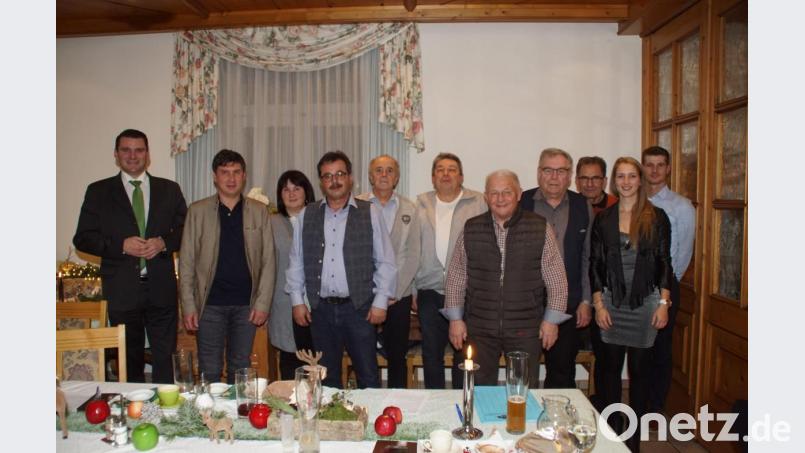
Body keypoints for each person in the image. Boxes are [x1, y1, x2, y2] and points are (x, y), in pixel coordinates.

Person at [74, 128, 187, 383]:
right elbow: (82, 238)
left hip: (161, 288)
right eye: (126, 150)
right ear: (116, 155)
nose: (133, 156)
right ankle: (135, 412)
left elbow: (187, 230)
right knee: (129, 359)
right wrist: (121, 245)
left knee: (164, 358)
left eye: (139, 150)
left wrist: (163, 243)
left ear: (148, 155)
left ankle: (165, 412)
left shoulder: (169, 189)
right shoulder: (98, 191)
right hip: (122, 290)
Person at [444, 170, 568, 386]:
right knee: (476, 387)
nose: (500, 199)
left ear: (519, 194)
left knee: (522, 390)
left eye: (507, 192)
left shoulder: (539, 227)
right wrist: (455, 319)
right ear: (486, 197)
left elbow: (556, 277)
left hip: (526, 327)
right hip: (480, 327)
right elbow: (456, 275)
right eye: (494, 193)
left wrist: (551, 321)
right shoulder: (471, 228)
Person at [286, 151, 397, 389]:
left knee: (367, 376)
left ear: (350, 178)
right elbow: (296, 260)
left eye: (339, 174)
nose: (334, 180)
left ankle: (371, 423)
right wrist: (297, 300)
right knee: (326, 378)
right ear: (321, 181)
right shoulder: (308, 214)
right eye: (327, 176)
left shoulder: (370, 212)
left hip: (359, 309)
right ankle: (331, 424)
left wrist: (380, 303)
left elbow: (386, 261)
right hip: (321, 311)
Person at [590, 156, 672, 452]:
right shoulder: (604, 218)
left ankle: (633, 442)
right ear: (615, 181)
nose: (626, 182)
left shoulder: (656, 216)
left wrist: (664, 302)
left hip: (645, 304)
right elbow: (595, 264)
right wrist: (599, 305)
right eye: (620, 177)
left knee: (639, 376)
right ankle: (612, 438)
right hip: (611, 304)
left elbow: (664, 262)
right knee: (609, 374)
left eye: (631, 176)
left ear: (640, 180)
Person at [179, 149, 275, 384]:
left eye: (236, 172)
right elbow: (187, 262)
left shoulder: (259, 211)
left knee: (240, 368)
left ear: (244, 176)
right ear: (215, 176)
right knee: (209, 369)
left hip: (246, 306)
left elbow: (268, 260)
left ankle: (236, 418)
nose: (231, 179)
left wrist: (262, 304)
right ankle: (209, 419)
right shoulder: (197, 211)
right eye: (225, 173)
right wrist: (189, 306)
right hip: (208, 305)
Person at [520, 148, 593, 389]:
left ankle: (556, 423)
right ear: (539, 173)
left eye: (561, 171)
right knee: (523, 369)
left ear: (570, 175)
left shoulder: (583, 206)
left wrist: (586, 300)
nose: (554, 177)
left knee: (562, 370)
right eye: (548, 170)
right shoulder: (522, 203)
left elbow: (588, 257)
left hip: (569, 302)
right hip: (526, 303)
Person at [415, 153, 487, 389]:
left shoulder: (478, 202)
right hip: (429, 290)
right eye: (440, 170)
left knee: (464, 353)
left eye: (452, 169)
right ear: (433, 177)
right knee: (431, 352)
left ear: (461, 176)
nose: (446, 174)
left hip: (468, 291)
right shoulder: (420, 204)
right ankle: (434, 400)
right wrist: (413, 289)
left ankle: (460, 399)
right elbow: (413, 248)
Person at [356, 155, 421, 388]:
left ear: (397, 177)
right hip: (365, 295)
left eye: (389, 170)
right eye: (379, 170)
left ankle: (398, 403)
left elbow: (413, 255)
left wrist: (393, 292)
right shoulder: (356, 205)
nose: (384, 175)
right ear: (371, 176)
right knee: (363, 354)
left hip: (399, 295)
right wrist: (374, 292)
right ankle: (367, 402)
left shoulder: (410, 209)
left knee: (397, 356)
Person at [642, 146, 696, 413]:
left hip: (664, 285)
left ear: (668, 168)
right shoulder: (635, 200)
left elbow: (683, 254)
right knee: (639, 346)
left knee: (661, 349)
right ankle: (638, 404)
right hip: (636, 286)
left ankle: (655, 409)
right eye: (649, 164)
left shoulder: (681, 206)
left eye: (660, 165)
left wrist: (667, 286)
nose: (654, 170)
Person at [574, 155, 617, 407]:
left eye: (595, 178)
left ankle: (605, 407)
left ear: (605, 180)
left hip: (607, 295)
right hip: (578, 294)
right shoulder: (571, 206)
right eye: (584, 178)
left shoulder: (616, 207)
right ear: (576, 181)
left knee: (607, 356)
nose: (590, 184)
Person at [269, 170, 317, 380]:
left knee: (317, 358)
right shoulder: (270, 223)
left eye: (296, 188)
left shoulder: (320, 218)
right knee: (290, 357)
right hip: (284, 301)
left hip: (318, 302)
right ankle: (291, 405)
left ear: (306, 192)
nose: (291, 193)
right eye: (285, 189)